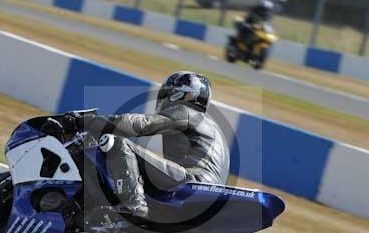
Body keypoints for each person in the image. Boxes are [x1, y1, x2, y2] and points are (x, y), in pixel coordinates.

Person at [42, 71, 230, 218]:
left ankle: (134, 206)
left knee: (116, 143)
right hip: (207, 193)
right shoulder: (215, 129)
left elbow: (138, 125)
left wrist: (86, 122)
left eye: (166, 93)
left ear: (178, 94)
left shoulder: (186, 112)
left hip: (191, 182)